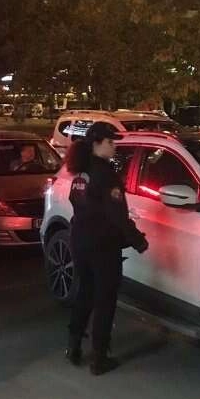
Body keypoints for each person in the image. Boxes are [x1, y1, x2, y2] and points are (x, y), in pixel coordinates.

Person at [64, 122, 148, 375]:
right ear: (97, 143)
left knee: (84, 293)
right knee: (105, 300)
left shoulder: (81, 172)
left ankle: (73, 346)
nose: (114, 147)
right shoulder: (105, 175)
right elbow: (117, 215)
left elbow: (76, 202)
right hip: (102, 245)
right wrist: (138, 240)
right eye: (110, 142)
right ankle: (99, 358)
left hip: (80, 241)